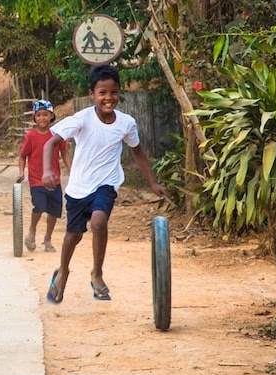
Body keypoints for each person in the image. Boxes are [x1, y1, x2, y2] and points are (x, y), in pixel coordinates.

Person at [42, 64, 168, 304]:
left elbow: (137, 152)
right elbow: (50, 143)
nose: (108, 98)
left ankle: (97, 273)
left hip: (106, 184)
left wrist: (153, 183)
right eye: (102, 93)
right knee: (74, 235)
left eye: (114, 92)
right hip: (79, 187)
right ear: (92, 94)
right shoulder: (82, 119)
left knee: (99, 222)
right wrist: (48, 170)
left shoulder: (126, 123)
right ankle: (63, 272)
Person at [16, 99, 71, 253]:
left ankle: (47, 238)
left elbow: (65, 153)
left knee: (54, 211)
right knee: (39, 207)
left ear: (51, 116)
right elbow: (22, 156)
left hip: (54, 180)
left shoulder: (57, 135)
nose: (42, 118)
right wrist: (21, 172)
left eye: (45, 115)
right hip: (36, 180)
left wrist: (72, 171)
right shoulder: (30, 136)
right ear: (34, 117)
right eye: (38, 115)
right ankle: (32, 230)